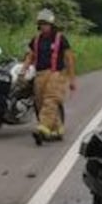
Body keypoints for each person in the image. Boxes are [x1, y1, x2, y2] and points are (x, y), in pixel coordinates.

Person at [23, 8, 77, 145]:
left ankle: (43, 129)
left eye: (46, 24)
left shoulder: (60, 38)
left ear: (51, 24)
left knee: (51, 101)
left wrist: (71, 79)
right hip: (40, 75)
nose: (43, 26)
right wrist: (24, 70)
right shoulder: (36, 40)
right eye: (41, 24)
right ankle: (57, 129)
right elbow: (30, 56)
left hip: (56, 74)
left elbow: (69, 58)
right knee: (40, 103)